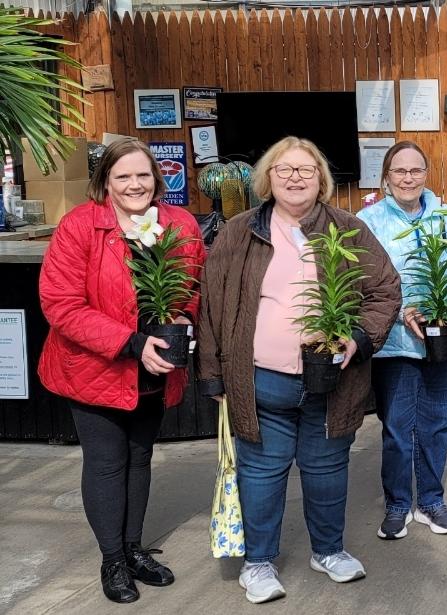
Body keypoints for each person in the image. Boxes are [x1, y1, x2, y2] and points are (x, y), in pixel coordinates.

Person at [196, 137, 401, 604]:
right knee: (262, 472)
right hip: (260, 379)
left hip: (332, 379)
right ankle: (258, 562)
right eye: (284, 169)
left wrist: (358, 338)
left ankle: (328, 551)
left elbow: (385, 290)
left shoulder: (348, 229)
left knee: (326, 467)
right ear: (268, 178)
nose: (295, 178)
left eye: (306, 170)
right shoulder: (239, 231)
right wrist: (211, 375)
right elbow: (212, 304)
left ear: (321, 180)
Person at [38, 138, 205, 603]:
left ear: (157, 179)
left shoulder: (179, 223)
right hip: (97, 368)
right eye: (123, 176)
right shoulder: (80, 226)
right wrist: (131, 343)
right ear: (105, 182)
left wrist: (183, 317)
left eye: (143, 175)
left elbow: (194, 286)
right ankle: (112, 560)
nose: (135, 184)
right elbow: (61, 304)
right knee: (107, 463)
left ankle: (133, 550)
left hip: (155, 367)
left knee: (139, 456)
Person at [357, 141, 447, 539]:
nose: (408, 178)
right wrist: (402, 311)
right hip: (395, 343)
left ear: (426, 175)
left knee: (436, 424)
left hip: (445, 338)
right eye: (399, 171)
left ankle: (430, 501)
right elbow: (364, 283)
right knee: (397, 427)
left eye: (415, 170)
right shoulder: (369, 221)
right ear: (386, 177)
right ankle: (397, 504)